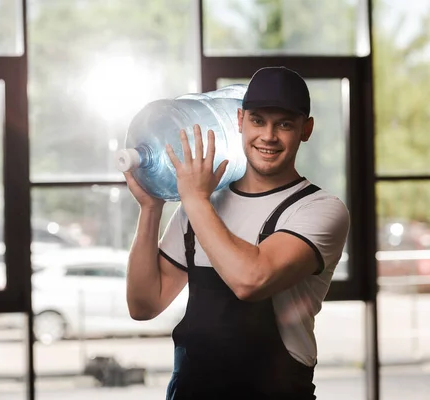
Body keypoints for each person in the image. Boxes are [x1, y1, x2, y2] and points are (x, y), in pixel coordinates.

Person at [123, 66, 350, 399]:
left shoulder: (318, 209)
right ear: (240, 120)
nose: (268, 136)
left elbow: (251, 280)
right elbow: (143, 305)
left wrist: (196, 200)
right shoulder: (200, 205)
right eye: (258, 120)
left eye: (284, 123)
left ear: (306, 129)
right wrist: (151, 208)